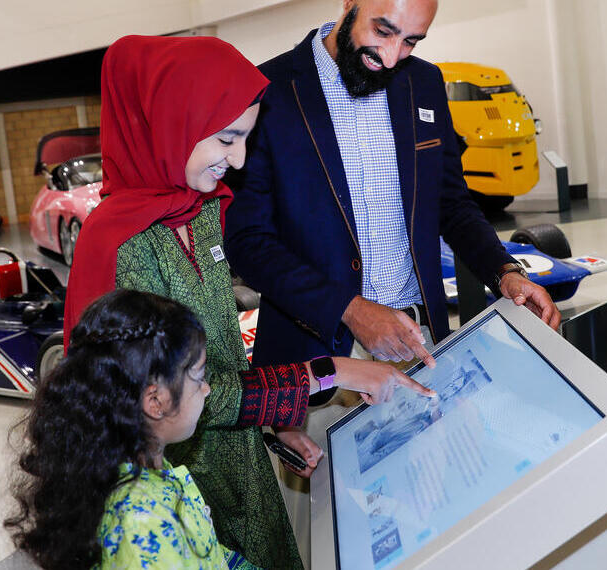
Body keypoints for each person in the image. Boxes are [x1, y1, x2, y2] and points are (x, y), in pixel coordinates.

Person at [61, 35, 433, 569]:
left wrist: (274, 420)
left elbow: (220, 357)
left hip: (240, 470)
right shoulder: (120, 246)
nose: (236, 161)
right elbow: (167, 396)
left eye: (245, 141)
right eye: (226, 139)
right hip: (175, 489)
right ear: (173, 123)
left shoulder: (202, 210)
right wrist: (330, 374)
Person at [224, 0, 561, 459]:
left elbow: (451, 203)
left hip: (413, 343)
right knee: (327, 523)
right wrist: (350, 309)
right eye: (382, 32)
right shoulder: (271, 91)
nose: (390, 56)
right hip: (314, 363)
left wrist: (505, 271)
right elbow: (248, 242)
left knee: (430, 500)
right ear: (349, 4)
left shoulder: (423, 83)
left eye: (410, 41)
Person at [10, 289, 424, 569]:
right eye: (198, 376)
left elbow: (213, 556)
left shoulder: (151, 471)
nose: (207, 389)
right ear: (155, 401)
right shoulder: (142, 525)